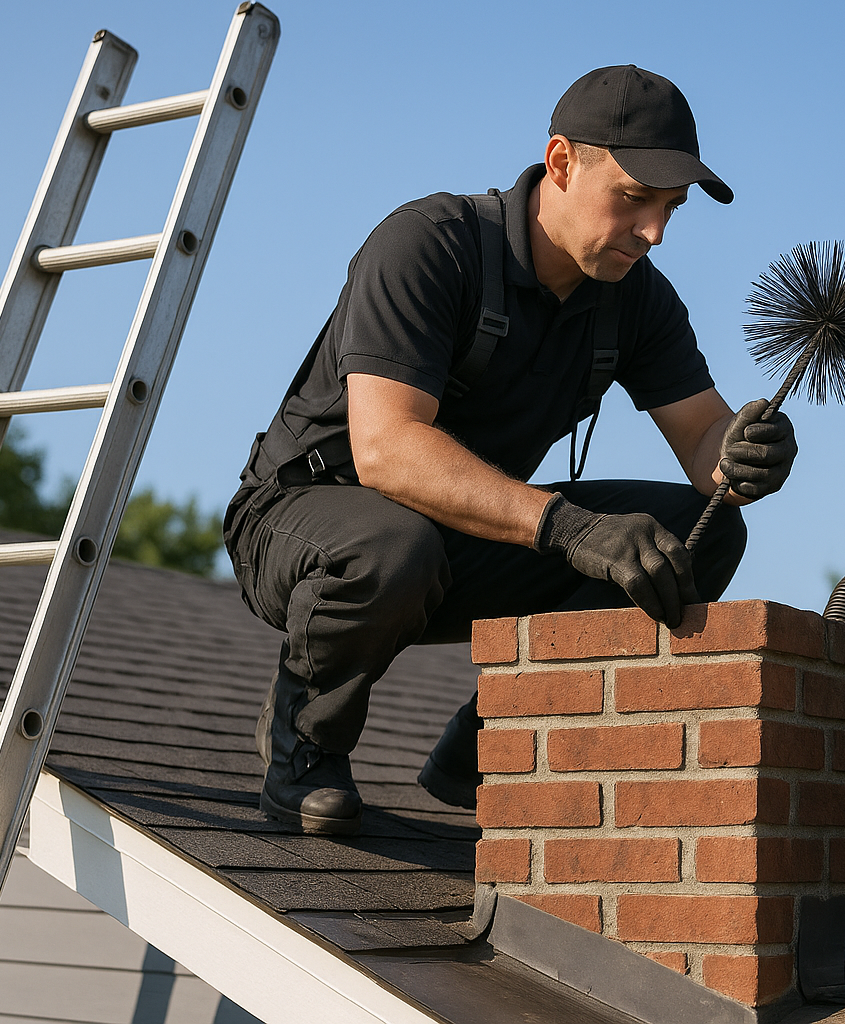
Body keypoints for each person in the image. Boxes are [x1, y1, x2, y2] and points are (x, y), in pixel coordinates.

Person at [223, 65, 797, 835]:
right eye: (634, 198)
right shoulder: (430, 244)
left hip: (465, 536)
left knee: (703, 532)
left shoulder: (637, 296)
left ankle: (502, 746)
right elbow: (388, 450)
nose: (654, 232)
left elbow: (702, 438)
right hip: (303, 528)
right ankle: (306, 743)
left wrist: (744, 453)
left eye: (670, 208)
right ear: (560, 163)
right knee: (394, 544)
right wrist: (574, 529)